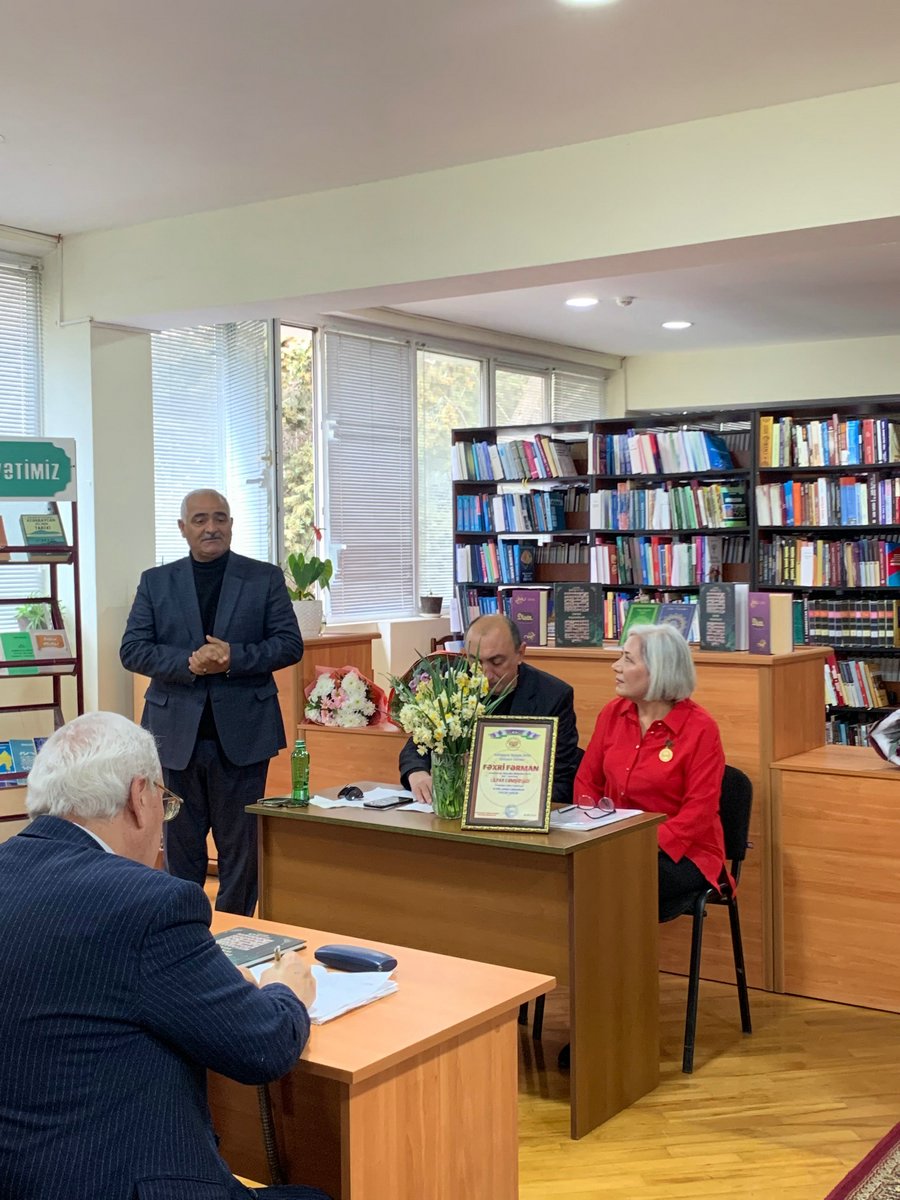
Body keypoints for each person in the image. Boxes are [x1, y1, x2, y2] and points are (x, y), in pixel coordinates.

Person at [0, 711, 329, 1200]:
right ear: (140, 796)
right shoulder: (146, 903)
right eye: (165, 800)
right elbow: (262, 1047)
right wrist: (287, 992)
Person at [120, 488, 303, 916]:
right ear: (182, 528)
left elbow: (288, 644)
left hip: (244, 735)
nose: (211, 527)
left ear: (232, 525)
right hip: (174, 737)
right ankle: (184, 929)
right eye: (200, 520)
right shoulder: (156, 582)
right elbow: (132, 650)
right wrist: (189, 662)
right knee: (180, 848)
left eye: (220, 518)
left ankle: (236, 932)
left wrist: (232, 658)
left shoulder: (263, 578)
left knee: (241, 847)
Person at [574, 622, 728, 921]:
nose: (616, 666)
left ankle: (618, 952)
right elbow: (587, 781)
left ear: (660, 670)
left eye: (628, 659)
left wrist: (640, 843)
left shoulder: (701, 728)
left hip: (684, 852)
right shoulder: (612, 713)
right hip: (615, 843)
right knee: (571, 871)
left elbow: (699, 812)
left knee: (617, 879)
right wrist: (590, 827)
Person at [399, 612, 581, 806]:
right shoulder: (452, 684)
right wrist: (417, 773)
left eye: (497, 662)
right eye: (475, 662)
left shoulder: (552, 696)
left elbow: (562, 781)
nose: (485, 674)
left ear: (520, 653)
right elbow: (418, 744)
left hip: (518, 806)